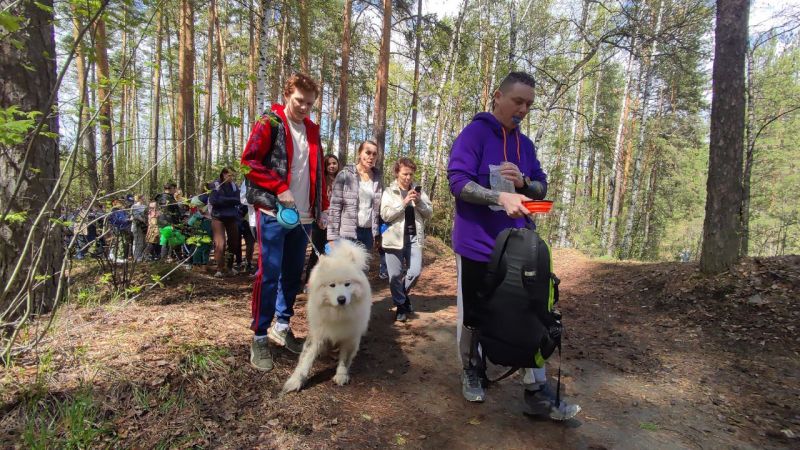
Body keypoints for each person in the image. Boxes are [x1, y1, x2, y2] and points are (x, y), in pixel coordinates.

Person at [447, 71, 579, 418]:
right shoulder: (474, 134)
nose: (522, 109)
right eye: (517, 101)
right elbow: (458, 183)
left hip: (519, 245)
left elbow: (541, 187)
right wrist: (499, 197)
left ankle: (536, 388)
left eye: (529, 104)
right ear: (497, 96)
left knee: (532, 309)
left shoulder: (526, 145)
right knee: (473, 315)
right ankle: (473, 370)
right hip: (477, 244)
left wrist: (524, 183)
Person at [241, 72, 328, 371]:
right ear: (287, 94)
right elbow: (248, 162)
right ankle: (260, 336)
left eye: (310, 103)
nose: (304, 108)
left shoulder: (313, 131)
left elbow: (317, 173)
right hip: (274, 213)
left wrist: (322, 208)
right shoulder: (270, 122)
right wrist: (279, 187)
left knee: (292, 275)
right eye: (299, 101)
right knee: (269, 274)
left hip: (303, 217)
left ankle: (283, 325)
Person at [380, 158, 432, 322]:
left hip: (414, 237)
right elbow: (385, 214)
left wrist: (419, 202)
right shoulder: (389, 192)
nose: (408, 177)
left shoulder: (419, 192)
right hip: (394, 238)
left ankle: (401, 296)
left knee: (415, 272)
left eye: (411, 174)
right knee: (395, 275)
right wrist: (403, 203)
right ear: (397, 173)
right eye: (405, 174)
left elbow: (429, 213)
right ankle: (401, 305)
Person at [327, 140, 382, 250]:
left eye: (374, 154)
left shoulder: (377, 178)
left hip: (368, 234)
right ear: (359, 153)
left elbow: (377, 209)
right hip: (347, 234)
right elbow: (335, 208)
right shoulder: (345, 175)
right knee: (346, 267)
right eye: (368, 152)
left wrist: (377, 234)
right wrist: (332, 237)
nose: (371, 157)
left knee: (363, 267)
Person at [304, 153, 340, 286]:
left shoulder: (341, 180)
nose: (332, 166)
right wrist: (319, 216)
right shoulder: (321, 181)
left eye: (334, 163)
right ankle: (309, 281)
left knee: (333, 253)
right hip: (320, 222)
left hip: (337, 223)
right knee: (317, 252)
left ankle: (329, 282)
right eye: (329, 164)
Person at [209, 167, 242, 277]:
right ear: (223, 174)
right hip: (218, 217)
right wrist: (230, 200)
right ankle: (219, 269)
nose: (231, 178)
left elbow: (239, 200)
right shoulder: (215, 185)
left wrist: (224, 199)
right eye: (229, 175)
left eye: (232, 175)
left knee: (234, 242)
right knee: (220, 243)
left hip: (232, 217)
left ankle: (230, 267)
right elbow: (214, 201)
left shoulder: (234, 186)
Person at [130, 195, 148, 262]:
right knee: (137, 242)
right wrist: (141, 219)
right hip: (137, 226)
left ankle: (141, 256)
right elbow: (134, 216)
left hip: (144, 227)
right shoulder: (134, 206)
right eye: (143, 198)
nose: (144, 199)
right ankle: (136, 257)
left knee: (144, 242)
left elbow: (147, 215)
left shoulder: (145, 206)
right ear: (139, 198)